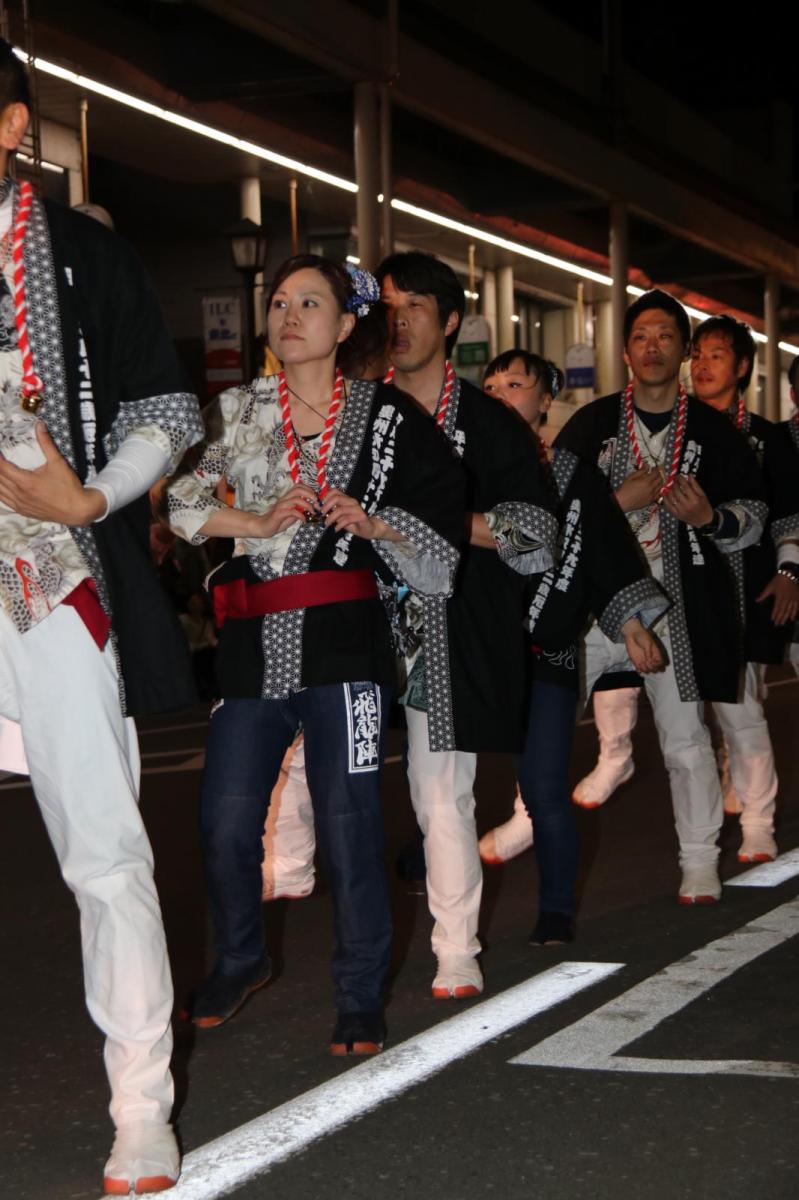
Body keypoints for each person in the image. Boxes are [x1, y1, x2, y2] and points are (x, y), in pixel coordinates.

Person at [167, 255, 464, 1055]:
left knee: (349, 826)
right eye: (277, 303)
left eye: (309, 302)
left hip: (343, 647)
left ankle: (360, 991)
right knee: (225, 825)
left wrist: (375, 526)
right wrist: (255, 524)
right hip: (250, 647)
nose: (288, 315)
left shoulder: (390, 418)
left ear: (343, 325)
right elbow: (183, 504)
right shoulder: (232, 411)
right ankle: (241, 955)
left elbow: (442, 539)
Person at [0, 42, 204, 1195]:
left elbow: (167, 404)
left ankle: (140, 1108)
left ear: (12, 124)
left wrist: (90, 495)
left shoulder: (83, 254)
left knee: (103, 851)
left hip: (47, 573)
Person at [376, 252, 558, 996]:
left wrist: (439, 520)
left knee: (438, 789)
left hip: (445, 627)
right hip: (354, 620)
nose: (399, 319)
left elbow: (534, 537)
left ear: (450, 322)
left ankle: (455, 948)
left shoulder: (489, 425)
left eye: (415, 304)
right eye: (387, 303)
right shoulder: (358, 410)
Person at [555, 289, 766, 904]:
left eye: (666, 337)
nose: (653, 347)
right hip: (598, 607)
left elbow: (751, 515)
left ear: (682, 352)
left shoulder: (713, 432)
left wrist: (708, 518)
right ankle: (531, 828)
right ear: (624, 351)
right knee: (545, 721)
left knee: (685, 738)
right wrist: (617, 503)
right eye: (642, 336)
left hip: (675, 608)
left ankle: (699, 860)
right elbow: (552, 511)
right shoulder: (591, 424)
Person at [475, 352, 667, 943]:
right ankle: (429, 872)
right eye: (490, 386)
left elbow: (605, 552)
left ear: (545, 400)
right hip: (474, 647)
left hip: (545, 648)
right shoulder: (459, 465)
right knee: (443, 791)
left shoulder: (572, 472)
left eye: (516, 384)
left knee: (542, 788)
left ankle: (555, 908)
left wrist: (631, 623)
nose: (501, 394)